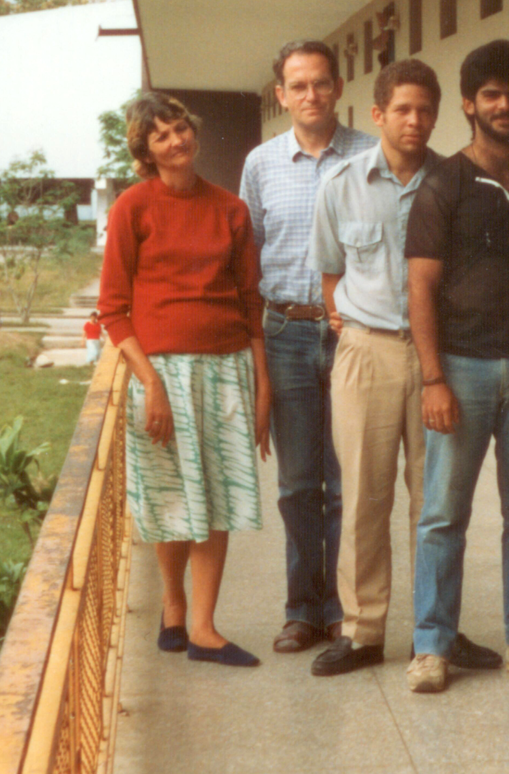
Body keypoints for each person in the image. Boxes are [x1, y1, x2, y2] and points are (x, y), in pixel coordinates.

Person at [405, 40, 509, 693]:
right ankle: (431, 645)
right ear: (470, 104)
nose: (505, 105)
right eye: (492, 96)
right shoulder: (443, 183)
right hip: (461, 368)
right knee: (443, 512)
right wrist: (432, 378)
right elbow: (419, 287)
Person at [98, 92, 270, 667]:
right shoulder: (132, 207)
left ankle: (203, 628)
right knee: (171, 494)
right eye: (161, 135)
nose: (177, 140)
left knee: (216, 498)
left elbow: (251, 307)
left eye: (181, 129)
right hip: (160, 372)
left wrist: (261, 389)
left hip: (224, 371)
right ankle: (172, 605)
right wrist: (150, 383)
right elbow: (113, 309)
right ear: (145, 150)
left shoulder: (230, 209)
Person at [305, 60, 442, 676]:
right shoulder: (340, 184)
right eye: (403, 109)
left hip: (439, 354)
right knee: (362, 496)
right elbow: (330, 273)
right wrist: (348, 323)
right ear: (378, 114)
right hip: (367, 350)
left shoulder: (453, 180)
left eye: (425, 110)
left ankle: (433, 631)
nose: (415, 121)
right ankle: (362, 632)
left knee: (434, 501)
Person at [239, 40, 374, 655]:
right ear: (282, 95)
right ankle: (302, 609)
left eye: (321, 83)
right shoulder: (261, 164)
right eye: (299, 86)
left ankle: (345, 610)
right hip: (288, 334)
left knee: (348, 483)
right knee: (298, 483)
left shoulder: (371, 157)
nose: (311, 95)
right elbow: (249, 256)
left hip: (354, 334)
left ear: (339, 87)